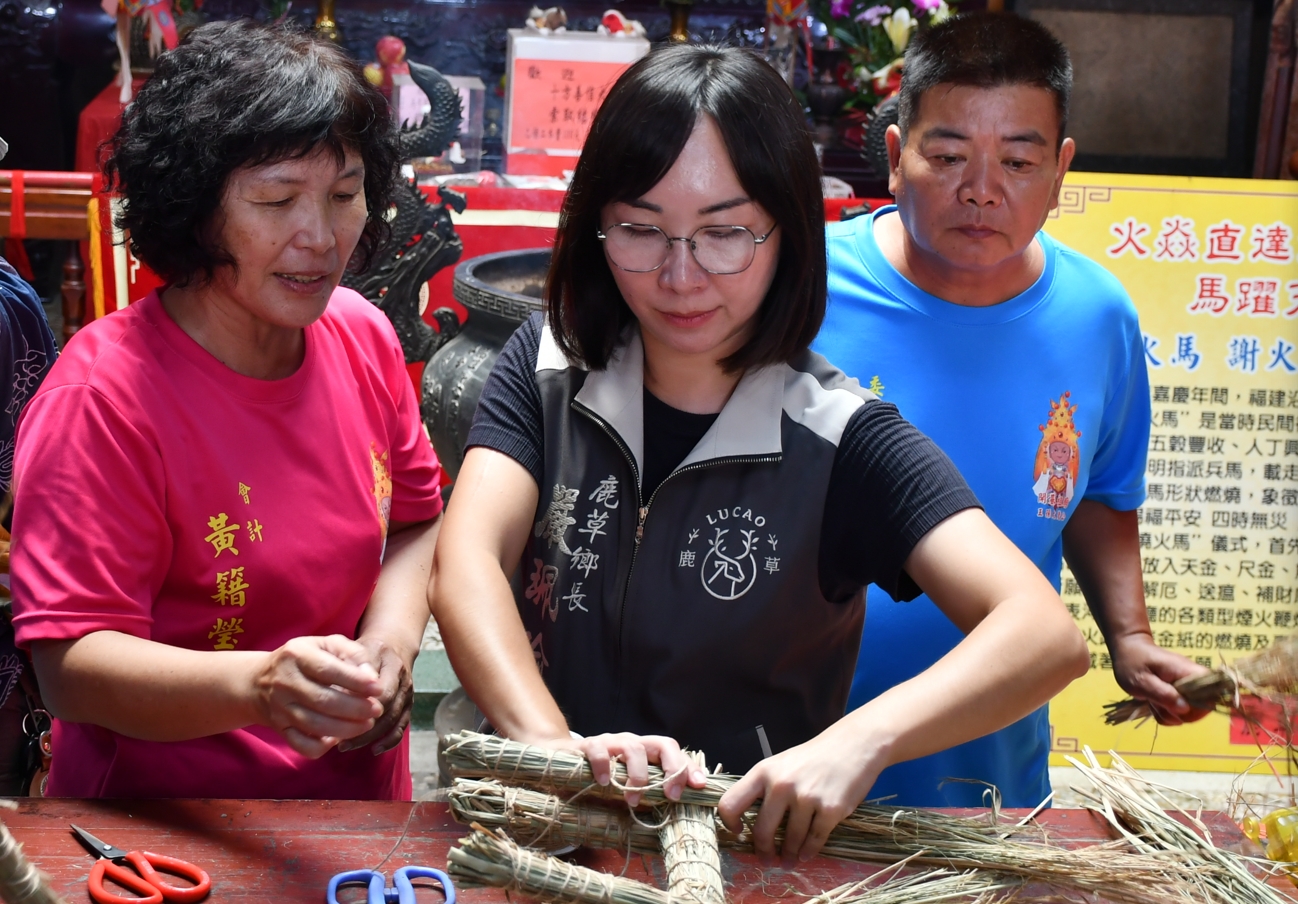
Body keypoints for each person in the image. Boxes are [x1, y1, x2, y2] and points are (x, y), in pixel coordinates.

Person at [431, 43, 1088, 863]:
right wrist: (553, 748)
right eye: (640, 229)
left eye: (725, 234)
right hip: (537, 839)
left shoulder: (840, 435)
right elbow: (465, 562)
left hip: (737, 862)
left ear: (785, 234)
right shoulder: (550, 360)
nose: (681, 276)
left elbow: (1040, 635)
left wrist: (859, 743)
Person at [9, 21, 445, 799]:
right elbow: (69, 667)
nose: (319, 237)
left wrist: (390, 644)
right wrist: (260, 687)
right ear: (197, 207)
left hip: (358, 818)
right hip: (165, 828)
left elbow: (416, 521)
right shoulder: (104, 398)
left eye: (345, 196)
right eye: (277, 200)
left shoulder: (362, 335)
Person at [813, 12, 1209, 809]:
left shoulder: (1099, 316)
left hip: (991, 787)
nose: (982, 190)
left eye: (1019, 160)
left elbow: (1100, 490)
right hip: (796, 760)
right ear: (895, 158)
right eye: (949, 154)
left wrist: (1129, 639)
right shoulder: (806, 290)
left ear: (1061, 171)